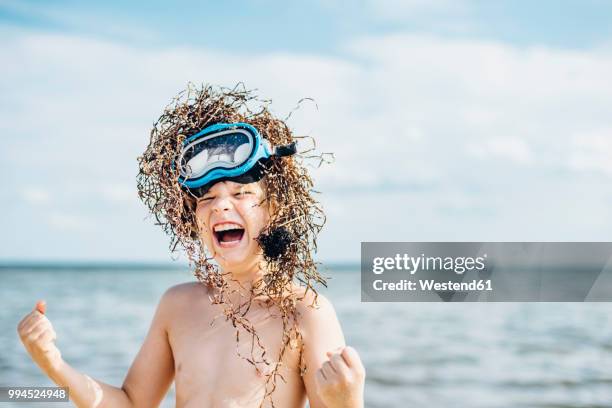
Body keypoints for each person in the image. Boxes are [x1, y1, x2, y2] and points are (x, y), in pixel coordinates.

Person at [17, 84, 366, 407]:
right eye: (207, 198)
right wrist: (53, 363)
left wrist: (348, 402)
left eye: (241, 193)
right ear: (193, 220)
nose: (220, 206)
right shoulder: (177, 305)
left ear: (274, 211)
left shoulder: (306, 313)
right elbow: (131, 403)